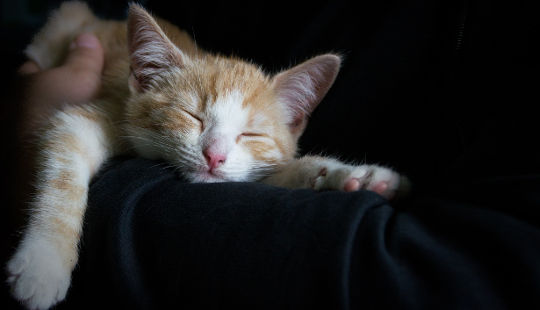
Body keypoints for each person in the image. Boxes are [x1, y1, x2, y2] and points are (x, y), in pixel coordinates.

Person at [8, 31, 540, 310]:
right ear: (145, 81)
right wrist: (56, 238)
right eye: (193, 120)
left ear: (296, 118)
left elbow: (269, 167)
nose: (216, 154)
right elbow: (74, 131)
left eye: (250, 135)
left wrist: (316, 174)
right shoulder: (155, 87)